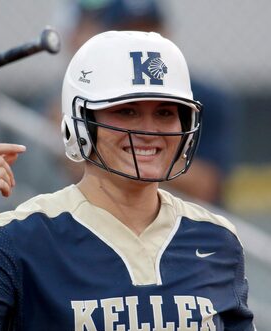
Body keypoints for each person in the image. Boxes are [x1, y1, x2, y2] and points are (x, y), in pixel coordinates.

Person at [0, 31, 271, 331]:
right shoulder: (21, 237)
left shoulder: (215, 238)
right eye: (125, 111)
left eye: (165, 112)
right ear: (80, 123)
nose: (148, 130)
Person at [49, 0, 238, 206]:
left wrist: (123, 154)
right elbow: (75, 169)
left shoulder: (199, 94)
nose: (141, 39)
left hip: (188, 224)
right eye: (126, 112)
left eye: (149, 29)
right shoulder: (85, 94)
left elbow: (205, 187)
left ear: (166, 31)